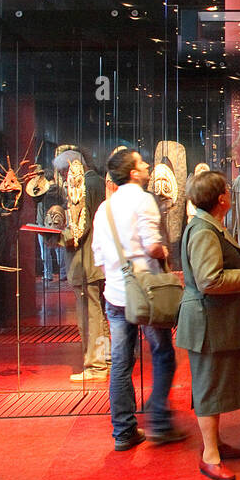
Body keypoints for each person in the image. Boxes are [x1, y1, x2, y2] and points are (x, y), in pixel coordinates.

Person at [89, 146, 185, 451]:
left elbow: (99, 257)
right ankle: (158, 422)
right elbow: (153, 245)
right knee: (162, 353)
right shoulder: (143, 200)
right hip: (147, 293)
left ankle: (124, 431)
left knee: (120, 362)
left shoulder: (103, 209)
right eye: (142, 164)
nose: (146, 167)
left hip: (116, 294)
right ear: (133, 173)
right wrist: (165, 253)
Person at [177, 170, 240, 480]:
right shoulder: (204, 231)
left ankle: (213, 443)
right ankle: (209, 455)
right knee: (208, 386)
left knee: (213, 383)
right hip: (206, 322)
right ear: (222, 200)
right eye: (228, 190)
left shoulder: (210, 225)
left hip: (214, 321)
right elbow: (209, 280)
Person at [54, 146, 110, 382]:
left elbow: (79, 227)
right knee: (97, 312)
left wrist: (55, 236)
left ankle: (96, 365)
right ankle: (104, 357)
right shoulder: (97, 181)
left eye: (61, 174)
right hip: (95, 260)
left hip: (85, 261)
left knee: (89, 314)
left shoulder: (84, 185)